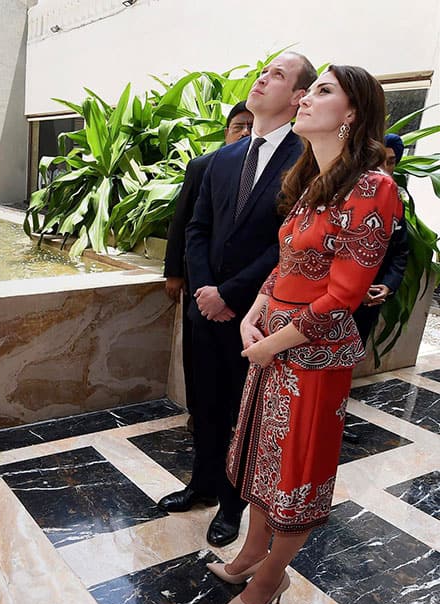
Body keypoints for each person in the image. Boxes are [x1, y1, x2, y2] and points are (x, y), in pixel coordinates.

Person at [209, 65, 402, 604]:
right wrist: (254, 313)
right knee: (263, 464)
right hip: (274, 343)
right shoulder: (314, 182)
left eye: (323, 92)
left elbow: (342, 297)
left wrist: (272, 344)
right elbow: (286, 264)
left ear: (352, 114)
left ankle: (271, 578)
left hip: (311, 359)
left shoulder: (375, 188)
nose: (306, 99)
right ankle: (249, 553)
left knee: (296, 474)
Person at [159, 52, 318, 550]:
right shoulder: (223, 159)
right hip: (205, 308)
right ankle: (201, 484)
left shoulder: (309, 159)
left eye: (277, 75)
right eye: (262, 71)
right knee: (204, 405)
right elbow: (197, 227)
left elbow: (287, 243)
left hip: (257, 316)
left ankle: (232, 505)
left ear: (297, 98)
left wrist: (228, 294)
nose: (262, 78)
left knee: (239, 414)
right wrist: (205, 290)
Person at [164, 101, 254, 431]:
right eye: (238, 126)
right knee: (196, 353)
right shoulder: (203, 165)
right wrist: (175, 272)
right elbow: (184, 222)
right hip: (200, 282)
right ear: (227, 132)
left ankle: (235, 416)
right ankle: (197, 410)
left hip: (245, 289)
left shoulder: (279, 167)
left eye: (251, 126)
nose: (245, 132)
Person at [352, 133, 409, 345]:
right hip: (333, 302)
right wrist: (355, 289)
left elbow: (400, 251)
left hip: (370, 303)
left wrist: (388, 285)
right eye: (378, 160)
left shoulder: (395, 203)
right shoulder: (345, 195)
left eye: (391, 162)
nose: (384, 167)